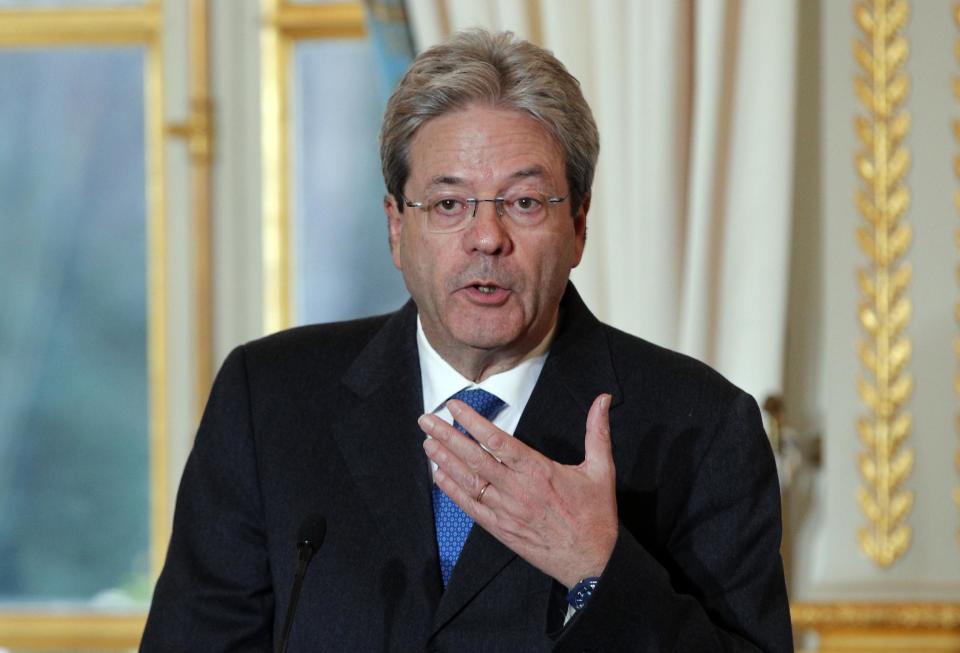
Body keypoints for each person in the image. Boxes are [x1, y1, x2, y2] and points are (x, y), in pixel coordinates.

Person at [141, 29, 793, 652]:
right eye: (449, 204)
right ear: (397, 227)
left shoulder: (701, 429)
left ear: (578, 227)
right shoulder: (270, 399)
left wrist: (598, 568)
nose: (487, 238)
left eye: (525, 202)